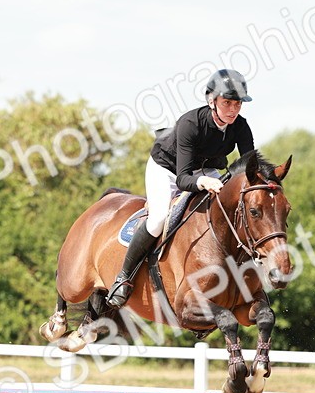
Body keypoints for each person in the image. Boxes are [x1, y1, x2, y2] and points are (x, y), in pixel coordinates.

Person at [106, 68, 256, 308]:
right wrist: (203, 182)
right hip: (168, 169)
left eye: (237, 104)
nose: (233, 109)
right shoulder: (190, 123)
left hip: (206, 169)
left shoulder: (241, 126)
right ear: (212, 100)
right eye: (227, 103)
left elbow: (249, 165)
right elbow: (183, 179)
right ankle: (124, 278)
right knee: (158, 219)